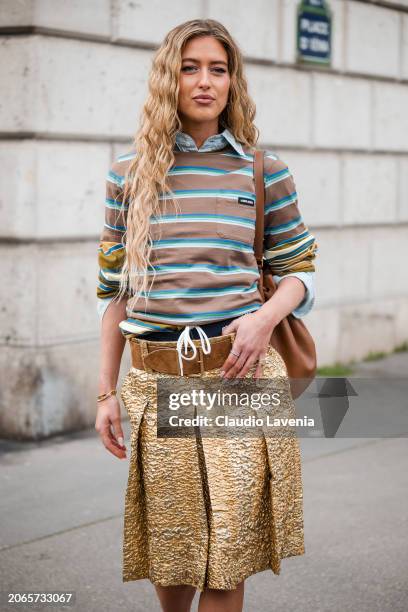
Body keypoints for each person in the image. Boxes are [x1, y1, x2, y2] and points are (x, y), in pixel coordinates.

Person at [95, 18, 318, 612]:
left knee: (227, 559)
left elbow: (299, 274)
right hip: (154, 378)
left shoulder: (261, 171)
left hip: (238, 378)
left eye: (217, 69)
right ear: (169, 78)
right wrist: (104, 393)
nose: (203, 81)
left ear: (232, 82)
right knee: (173, 552)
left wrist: (264, 318)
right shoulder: (129, 173)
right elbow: (113, 292)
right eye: (189, 67)